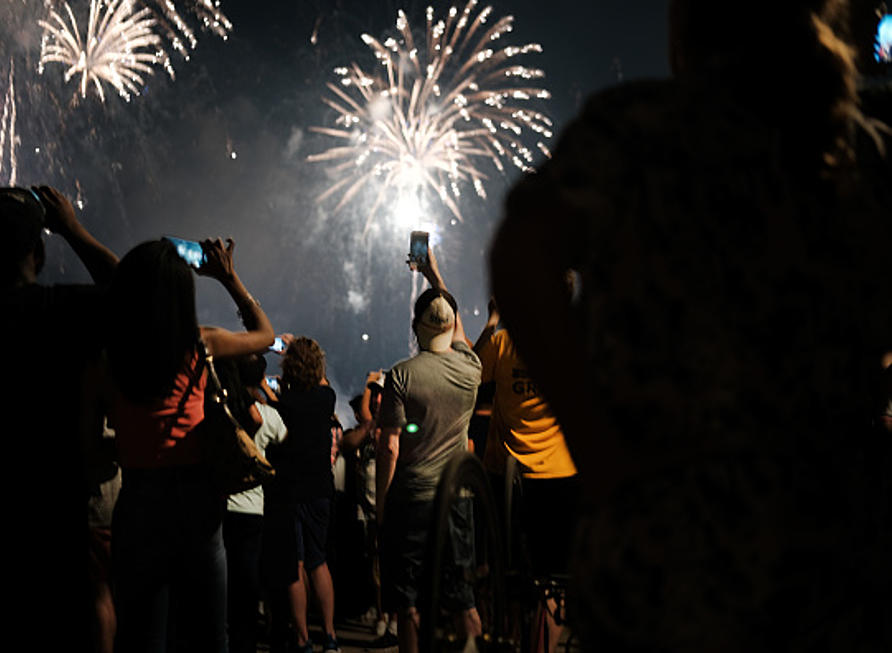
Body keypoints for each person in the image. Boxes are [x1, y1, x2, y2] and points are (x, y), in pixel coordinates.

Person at [489, 0, 892, 650]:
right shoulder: (856, 155)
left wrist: (594, 444)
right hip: (824, 547)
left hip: (664, 545)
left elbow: (520, 252)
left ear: (690, 31)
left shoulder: (639, 133)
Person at [0, 186, 118, 652]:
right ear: (39, 250)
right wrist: (72, 228)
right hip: (55, 540)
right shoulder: (65, 311)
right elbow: (132, 289)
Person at [104, 237, 273, 653]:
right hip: (196, 499)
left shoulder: (112, 354)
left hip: (138, 496)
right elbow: (265, 335)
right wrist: (228, 277)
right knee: (211, 635)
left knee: (144, 637)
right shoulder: (202, 343)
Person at [376, 246, 482, 653]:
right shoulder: (470, 368)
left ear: (416, 326)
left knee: (409, 604)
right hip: (458, 500)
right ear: (453, 324)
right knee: (464, 599)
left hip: (413, 499)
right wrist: (436, 275)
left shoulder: (402, 375)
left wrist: (383, 508)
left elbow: (388, 447)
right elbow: (454, 328)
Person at [473, 299, 579, 653]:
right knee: (553, 584)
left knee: (504, 575)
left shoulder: (503, 343)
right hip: (560, 474)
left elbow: (473, 367)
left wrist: (493, 319)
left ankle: (505, 634)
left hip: (508, 474)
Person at [264, 336, 339, 653]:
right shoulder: (327, 398)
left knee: (294, 565)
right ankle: (332, 637)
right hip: (320, 489)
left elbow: (266, 395)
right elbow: (319, 378)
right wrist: (303, 349)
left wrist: (286, 351)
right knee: (318, 562)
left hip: (289, 491)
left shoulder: (285, 405)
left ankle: (303, 638)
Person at [220, 353, 288, 653]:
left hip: (221, 508)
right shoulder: (268, 416)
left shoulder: (221, 409)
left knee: (221, 587)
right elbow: (286, 441)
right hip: (252, 510)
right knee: (248, 586)